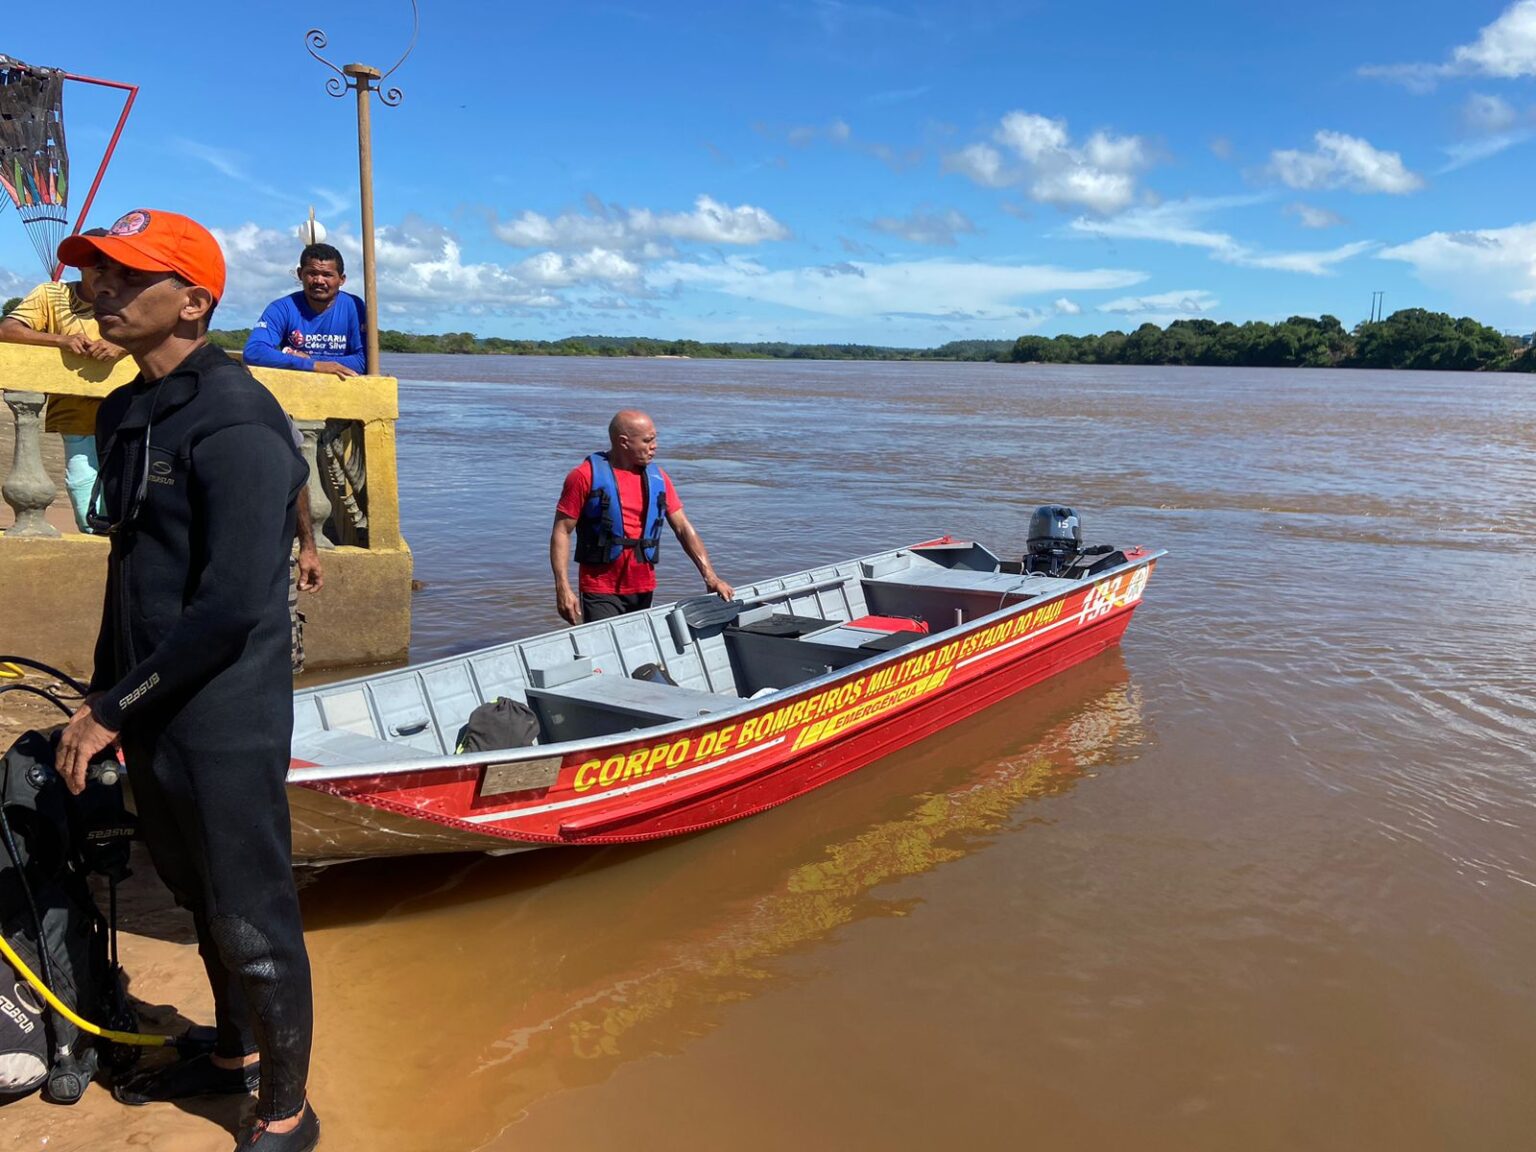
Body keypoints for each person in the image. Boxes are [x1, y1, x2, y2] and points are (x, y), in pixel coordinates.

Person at [52, 209, 320, 1151]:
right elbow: (134, 572)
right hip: (149, 703)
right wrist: (99, 698)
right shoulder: (128, 407)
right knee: (193, 891)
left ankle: (286, 1108)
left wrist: (109, 710)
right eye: (96, 275)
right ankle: (234, 1049)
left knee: (250, 909)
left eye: (126, 278)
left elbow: (230, 608)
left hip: (224, 716)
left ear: (194, 302)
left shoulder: (239, 418)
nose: (100, 292)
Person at [551, 409, 734, 624]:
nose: (654, 446)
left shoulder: (658, 478)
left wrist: (710, 576)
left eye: (655, 439)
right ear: (624, 442)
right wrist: (562, 587)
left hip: (643, 588)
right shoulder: (584, 476)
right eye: (647, 440)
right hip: (600, 589)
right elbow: (561, 531)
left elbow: (683, 527)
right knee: (607, 655)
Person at [0, 230, 126, 531]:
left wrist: (121, 347)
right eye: (97, 265)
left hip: (127, 419)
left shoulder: (131, 300)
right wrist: (59, 340)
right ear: (80, 266)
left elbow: (159, 334)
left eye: (112, 265)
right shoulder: (51, 295)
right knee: (86, 502)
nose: (104, 273)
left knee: (125, 501)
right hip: (75, 419)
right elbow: (8, 330)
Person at [242, 242, 366, 378]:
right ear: (300, 274)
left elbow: (363, 360)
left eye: (327, 275)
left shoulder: (355, 306)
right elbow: (254, 351)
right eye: (312, 273)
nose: (319, 280)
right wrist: (312, 365)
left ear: (341, 279)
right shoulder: (282, 308)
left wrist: (309, 359)